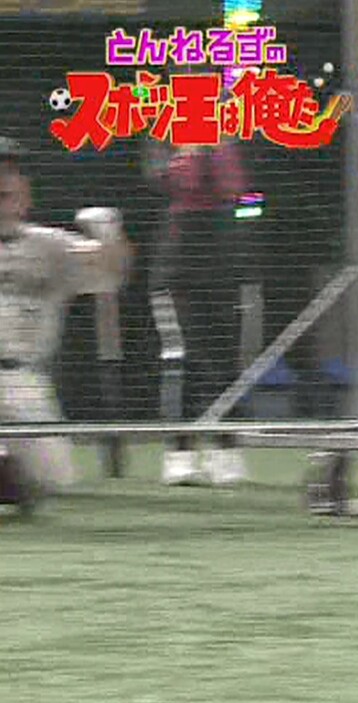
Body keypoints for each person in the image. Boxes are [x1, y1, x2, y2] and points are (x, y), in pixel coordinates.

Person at [0, 137, 133, 517]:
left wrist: (108, 233)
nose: (3, 180)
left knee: (51, 478)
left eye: (10, 171)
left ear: (25, 191)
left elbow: (112, 274)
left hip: (24, 384)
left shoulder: (50, 245)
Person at [146, 134, 251, 487]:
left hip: (223, 264)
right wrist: (190, 154)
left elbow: (243, 193)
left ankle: (225, 450)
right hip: (176, 268)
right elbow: (167, 182)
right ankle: (179, 453)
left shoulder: (234, 135)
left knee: (226, 358)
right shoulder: (163, 133)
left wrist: (216, 154)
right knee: (183, 356)